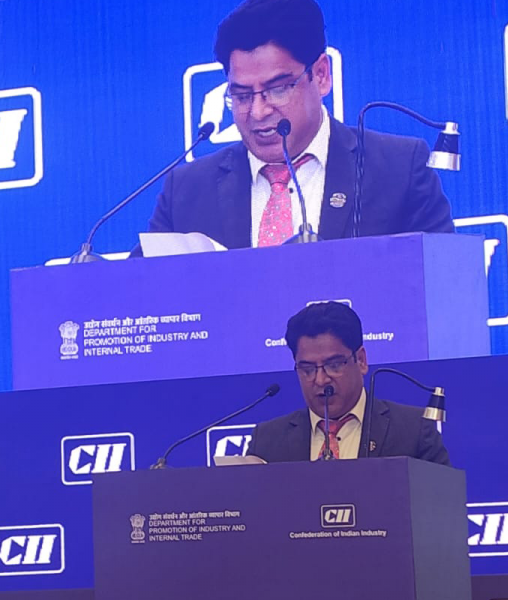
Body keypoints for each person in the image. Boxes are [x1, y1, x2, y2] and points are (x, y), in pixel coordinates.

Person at [140, 0, 453, 251]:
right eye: (242, 95)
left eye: (278, 89)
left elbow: (444, 286)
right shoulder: (187, 191)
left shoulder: (398, 170)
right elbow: (140, 294)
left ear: (321, 75)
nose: (258, 112)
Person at [246, 301, 450, 464]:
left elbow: (442, 500)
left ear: (361, 360)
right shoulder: (267, 441)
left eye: (334, 365)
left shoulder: (413, 430)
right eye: (307, 369)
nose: (321, 379)